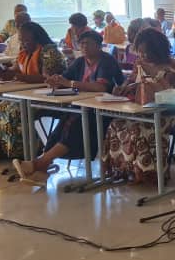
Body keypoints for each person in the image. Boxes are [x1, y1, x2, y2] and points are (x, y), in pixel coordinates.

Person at [12, 31, 125, 186]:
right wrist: (55, 81)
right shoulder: (80, 62)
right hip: (81, 106)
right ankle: (42, 167)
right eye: (82, 44)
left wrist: (70, 84)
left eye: (88, 44)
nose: (84, 47)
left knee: (74, 125)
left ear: (99, 46)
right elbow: (65, 77)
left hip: (103, 110)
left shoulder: (106, 61)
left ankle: (39, 164)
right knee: (64, 123)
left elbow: (101, 87)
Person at [101, 28, 175, 184]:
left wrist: (150, 70)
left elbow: (170, 91)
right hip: (142, 110)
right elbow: (131, 81)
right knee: (115, 124)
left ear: (157, 50)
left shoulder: (174, 67)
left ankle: (148, 172)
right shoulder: (139, 65)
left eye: (145, 52)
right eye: (139, 52)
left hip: (168, 113)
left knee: (140, 130)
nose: (142, 56)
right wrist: (123, 88)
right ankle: (126, 169)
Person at [0, 22, 66, 158]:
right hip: (29, 94)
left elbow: (47, 78)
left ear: (37, 38)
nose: (23, 43)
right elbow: (16, 69)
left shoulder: (50, 52)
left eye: (26, 40)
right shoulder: (25, 52)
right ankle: (10, 150)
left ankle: (26, 151)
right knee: (0, 108)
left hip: (50, 96)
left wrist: (16, 76)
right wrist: (3, 72)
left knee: (15, 111)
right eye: (21, 40)